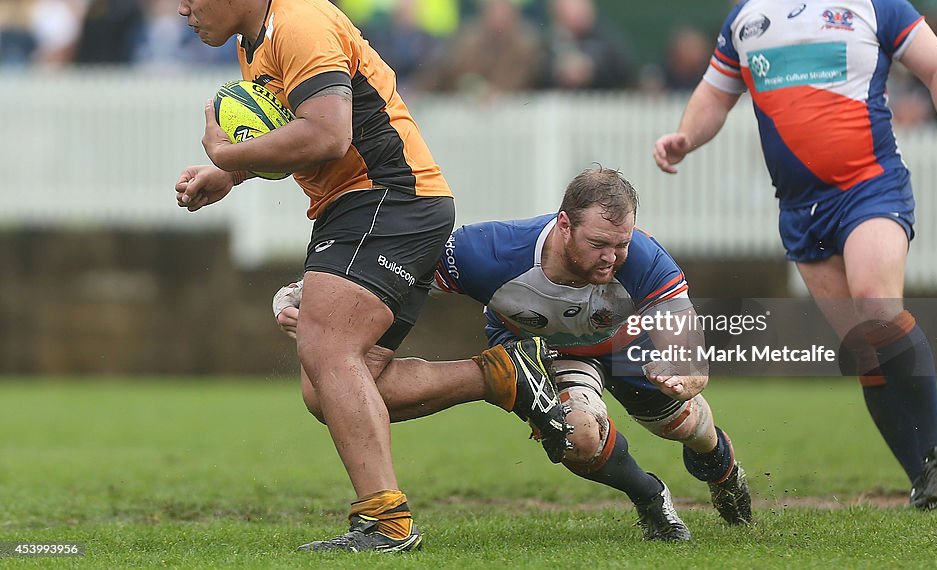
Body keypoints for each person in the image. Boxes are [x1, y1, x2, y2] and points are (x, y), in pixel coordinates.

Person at [170, 0, 568, 554]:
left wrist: (226, 147)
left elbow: (328, 133)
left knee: (327, 348)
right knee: (328, 384)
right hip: (367, 204)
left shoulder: (297, 23)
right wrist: (229, 171)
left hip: (388, 197)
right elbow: (300, 133)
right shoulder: (258, 40)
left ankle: (385, 521)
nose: (183, 10)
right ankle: (499, 376)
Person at [653, 0, 937, 509]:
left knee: (876, 304)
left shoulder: (870, 3)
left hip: (869, 187)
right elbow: (714, 96)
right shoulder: (748, 19)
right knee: (863, 346)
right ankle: (925, 477)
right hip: (798, 209)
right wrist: (683, 139)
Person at [276, 168, 754, 541]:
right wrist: (313, 296)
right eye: (599, 244)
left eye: (621, 245)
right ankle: (652, 499)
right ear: (564, 225)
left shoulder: (645, 259)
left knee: (687, 427)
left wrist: (688, 373)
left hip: (627, 348)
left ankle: (721, 465)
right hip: (545, 353)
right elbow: (403, 268)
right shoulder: (493, 251)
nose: (611, 257)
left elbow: (682, 334)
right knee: (578, 440)